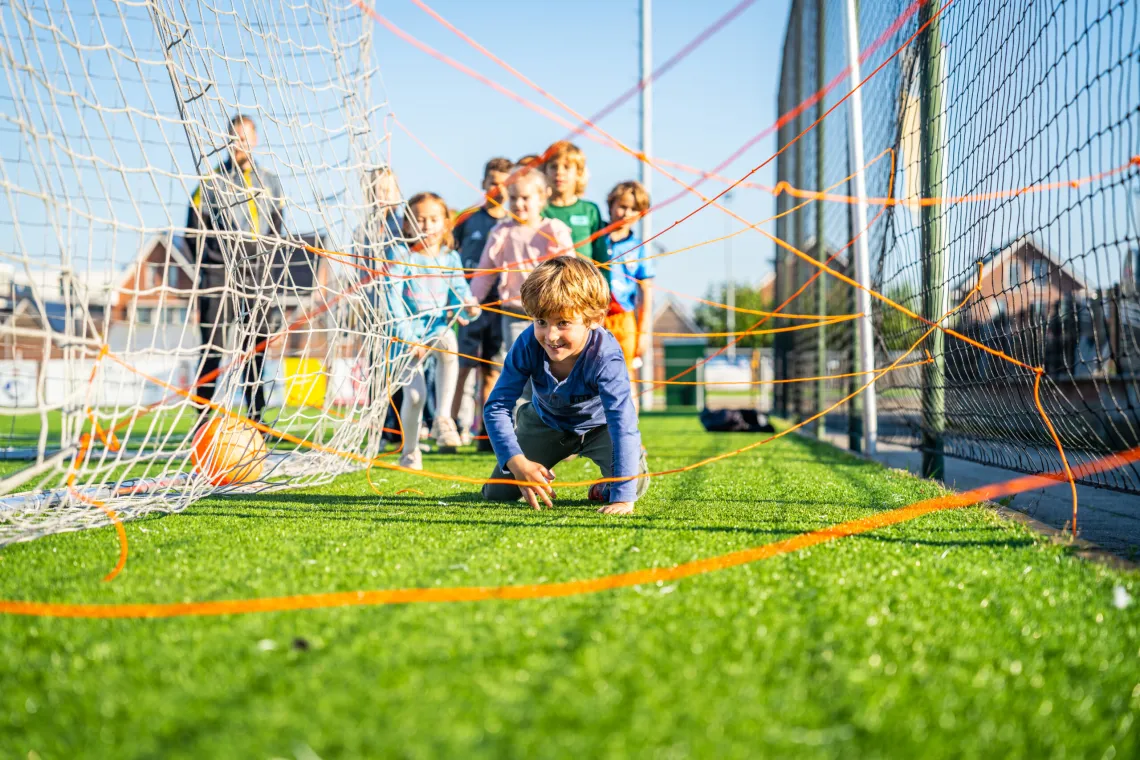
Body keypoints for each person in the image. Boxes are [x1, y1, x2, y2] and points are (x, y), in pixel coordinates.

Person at [480, 257, 649, 514]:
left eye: (563, 323)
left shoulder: (606, 356)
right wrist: (517, 462)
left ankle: (607, 486)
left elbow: (622, 421)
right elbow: (497, 407)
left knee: (631, 486)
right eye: (541, 322)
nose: (551, 335)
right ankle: (534, 467)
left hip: (600, 428)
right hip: (546, 423)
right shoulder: (527, 345)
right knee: (498, 494)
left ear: (594, 319)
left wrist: (622, 499)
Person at [186, 113, 285, 427]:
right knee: (213, 347)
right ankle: (203, 421)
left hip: (257, 270)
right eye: (233, 138)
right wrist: (215, 262)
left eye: (244, 138)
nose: (238, 144)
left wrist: (265, 258)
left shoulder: (270, 180)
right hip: (220, 272)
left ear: (255, 141)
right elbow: (193, 231)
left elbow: (278, 226)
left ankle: (256, 419)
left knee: (254, 348)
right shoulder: (210, 181)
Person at [389, 192, 480, 466]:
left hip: (436, 329)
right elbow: (391, 301)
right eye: (418, 220)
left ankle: (443, 418)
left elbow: (460, 295)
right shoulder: (401, 255)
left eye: (432, 219)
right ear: (407, 225)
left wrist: (470, 308)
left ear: (445, 223)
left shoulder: (451, 258)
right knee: (415, 397)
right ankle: (410, 451)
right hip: (406, 336)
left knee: (448, 339)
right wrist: (408, 340)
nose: (426, 225)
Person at [469, 165, 574, 355]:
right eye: (514, 198)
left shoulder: (554, 230)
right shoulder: (501, 232)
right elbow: (485, 272)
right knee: (520, 365)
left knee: (550, 364)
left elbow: (571, 272)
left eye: (525, 198)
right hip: (514, 314)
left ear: (541, 198)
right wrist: (473, 300)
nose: (518, 204)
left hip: (551, 315)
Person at [450, 158, 511, 451]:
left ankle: (485, 434)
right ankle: (447, 428)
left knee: (491, 370)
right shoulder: (467, 219)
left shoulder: (513, 221)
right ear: (483, 184)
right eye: (492, 182)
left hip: (500, 307)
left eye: (503, 183)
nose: (497, 189)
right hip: (469, 305)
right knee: (461, 367)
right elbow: (449, 254)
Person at [604, 180, 655, 410]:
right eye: (622, 206)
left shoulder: (639, 247)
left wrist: (643, 331)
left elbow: (646, 291)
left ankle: (631, 439)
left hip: (624, 319)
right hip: (595, 317)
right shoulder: (596, 240)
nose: (627, 213)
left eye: (634, 209)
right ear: (611, 205)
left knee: (625, 376)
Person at [540, 141, 610, 280]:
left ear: (578, 173)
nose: (559, 172)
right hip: (549, 286)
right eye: (553, 166)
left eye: (566, 167)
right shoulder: (539, 210)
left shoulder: (590, 210)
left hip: (584, 285)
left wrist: (605, 289)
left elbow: (601, 255)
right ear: (545, 172)